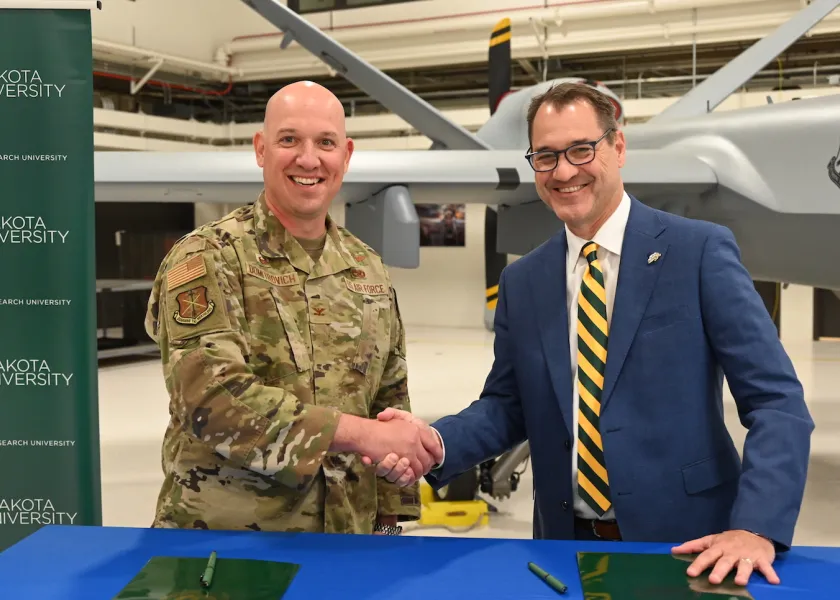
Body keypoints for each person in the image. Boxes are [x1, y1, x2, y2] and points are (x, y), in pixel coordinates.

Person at [369, 82, 814, 586]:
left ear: (618, 147)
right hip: (565, 546)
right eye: (545, 156)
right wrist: (434, 441)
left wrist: (756, 527)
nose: (563, 172)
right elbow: (508, 406)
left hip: (690, 544)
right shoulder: (524, 280)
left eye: (581, 149)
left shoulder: (698, 252)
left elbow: (776, 401)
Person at [143, 81, 441, 536]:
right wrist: (364, 435)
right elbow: (212, 399)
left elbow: (389, 394)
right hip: (232, 542)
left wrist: (389, 516)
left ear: (346, 155)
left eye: (326, 143)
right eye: (289, 140)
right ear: (261, 149)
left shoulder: (367, 267)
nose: (308, 159)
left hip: (348, 538)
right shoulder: (210, 256)